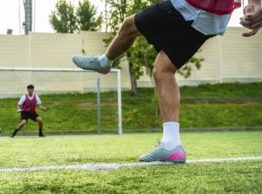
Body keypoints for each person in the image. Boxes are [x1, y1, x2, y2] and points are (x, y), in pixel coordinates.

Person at [72, 0, 262, 163]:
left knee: (129, 26)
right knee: (163, 70)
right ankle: (172, 144)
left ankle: (103, 62)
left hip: (191, 5)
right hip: (214, 18)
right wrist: (254, 3)